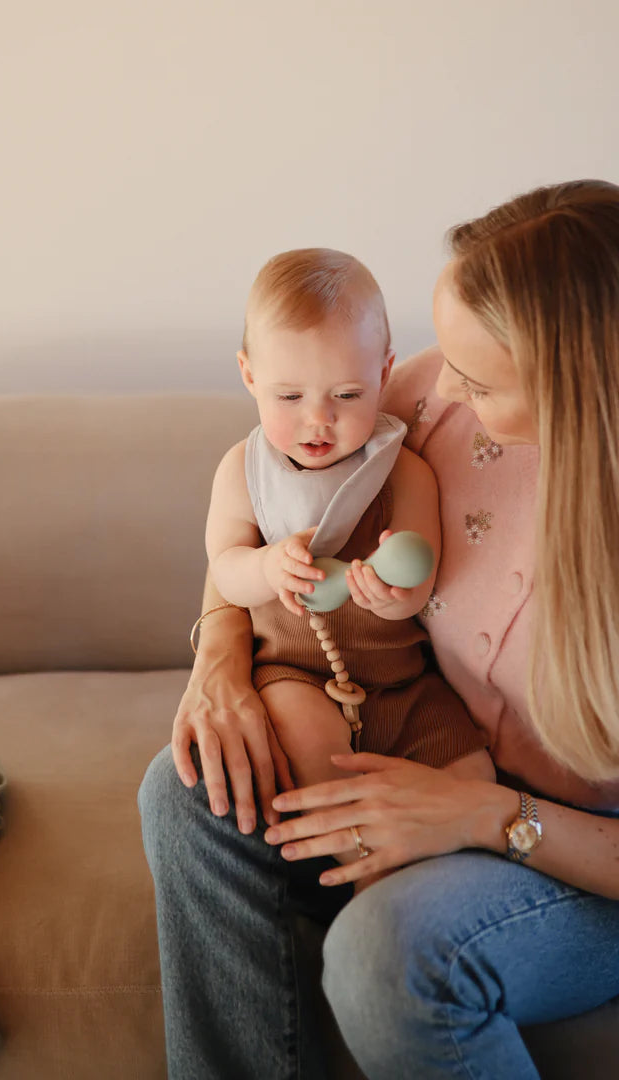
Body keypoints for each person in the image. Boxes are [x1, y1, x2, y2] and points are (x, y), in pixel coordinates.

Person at [139, 180, 619, 1079]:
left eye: (478, 378)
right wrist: (218, 655)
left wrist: (487, 816)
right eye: (445, 357)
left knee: (389, 952)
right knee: (187, 787)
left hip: (611, 849)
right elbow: (270, 512)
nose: (436, 385)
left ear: (584, 392)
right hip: (425, 753)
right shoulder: (430, 404)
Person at [204, 248, 493, 840]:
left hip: (405, 684)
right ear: (249, 373)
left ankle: (449, 867)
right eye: (289, 397)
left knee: (474, 774)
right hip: (293, 674)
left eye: (348, 395)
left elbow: (419, 579)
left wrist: (393, 596)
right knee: (317, 757)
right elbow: (226, 570)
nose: (319, 420)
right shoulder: (243, 471)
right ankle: (359, 864)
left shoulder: (405, 471)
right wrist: (266, 566)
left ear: (384, 375)